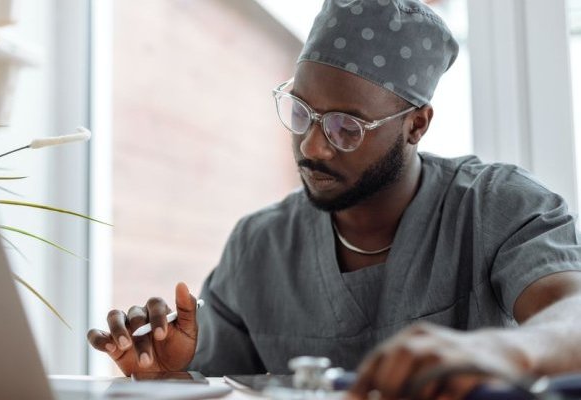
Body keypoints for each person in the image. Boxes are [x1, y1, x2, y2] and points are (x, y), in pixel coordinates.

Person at [88, 1, 581, 399]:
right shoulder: (260, 247)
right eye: (301, 113)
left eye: (348, 127)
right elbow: (222, 384)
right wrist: (173, 377)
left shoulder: (498, 207)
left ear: (417, 125)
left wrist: (508, 352)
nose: (312, 147)